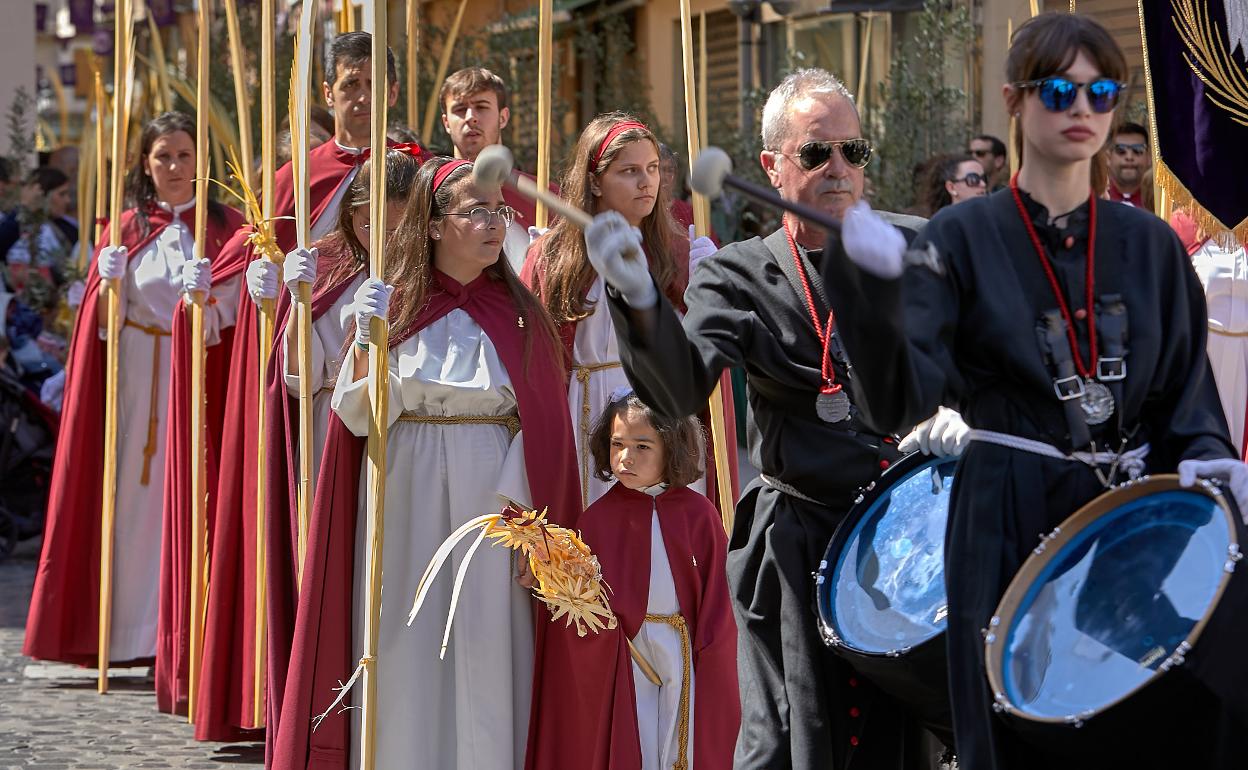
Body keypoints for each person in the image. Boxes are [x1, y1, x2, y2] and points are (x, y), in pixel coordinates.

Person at [818, 13, 1248, 769]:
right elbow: (896, 401)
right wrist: (868, 290)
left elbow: (1187, 394)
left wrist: (1209, 456)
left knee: (1168, 721)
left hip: (1128, 515)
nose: (1082, 108)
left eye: (1101, 91)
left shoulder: (1149, 244)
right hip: (1004, 516)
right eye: (1059, 90)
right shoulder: (958, 238)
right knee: (1017, 739)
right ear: (1016, 101)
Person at [582, 68, 955, 770]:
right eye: (817, 154)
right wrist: (637, 299)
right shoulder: (738, 273)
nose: (840, 169)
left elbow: (989, 354)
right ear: (771, 165)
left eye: (855, 151)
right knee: (790, 743)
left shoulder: (920, 245)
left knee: (918, 745)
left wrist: (963, 412)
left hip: (914, 539)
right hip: (800, 544)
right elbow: (680, 389)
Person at [271, 157, 579, 770]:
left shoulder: (521, 317)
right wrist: (365, 341)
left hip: (494, 500)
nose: (495, 225)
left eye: (500, 212)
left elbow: (543, 429)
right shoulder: (395, 306)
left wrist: (532, 531)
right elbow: (355, 415)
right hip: (403, 485)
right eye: (476, 212)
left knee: (487, 641)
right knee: (406, 639)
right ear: (434, 226)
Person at [193, 31, 428, 743]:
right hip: (323, 389)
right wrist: (251, 294)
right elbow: (238, 282)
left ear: (391, 91)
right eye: (346, 85)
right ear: (327, 95)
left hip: (413, 380)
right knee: (326, 544)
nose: (359, 97)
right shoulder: (298, 178)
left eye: (370, 84)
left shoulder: (423, 171)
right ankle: (310, 700)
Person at [24, 111, 245, 673]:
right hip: (136, 383)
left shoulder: (228, 227)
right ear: (145, 165)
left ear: (201, 161)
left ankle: (185, 635)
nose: (174, 166)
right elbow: (99, 325)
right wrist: (105, 285)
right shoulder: (125, 228)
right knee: (131, 508)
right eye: (162, 156)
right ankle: (126, 633)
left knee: (193, 503)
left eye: (184, 155)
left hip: (197, 382)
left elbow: (246, 316)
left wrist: (212, 303)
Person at [235, 150, 418, 749]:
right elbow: (296, 378)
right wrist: (287, 307)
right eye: (368, 222)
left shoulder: (433, 275)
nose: (380, 237)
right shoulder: (332, 273)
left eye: (395, 224)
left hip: (405, 450)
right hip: (330, 445)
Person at [521, 112, 726, 509]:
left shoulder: (678, 251)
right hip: (585, 411)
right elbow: (533, 359)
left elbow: (703, 359)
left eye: (651, 169)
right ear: (595, 180)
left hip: (660, 411)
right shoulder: (554, 256)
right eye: (629, 171)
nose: (646, 181)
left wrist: (712, 293)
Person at [528, 389, 738, 769]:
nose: (626, 458)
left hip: (681, 647)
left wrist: (712, 651)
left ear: (671, 448)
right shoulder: (596, 520)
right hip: (626, 651)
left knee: (679, 743)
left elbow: (720, 594)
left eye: (642, 446)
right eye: (617, 444)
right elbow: (581, 604)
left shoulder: (699, 514)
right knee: (636, 741)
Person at [439, 66, 535, 270]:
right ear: (446, 122)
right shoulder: (431, 195)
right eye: (459, 109)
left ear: (503, 117)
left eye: (481, 107)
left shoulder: (542, 196)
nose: (471, 117)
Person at [1105, 120, 1151, 210]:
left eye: (1137, 150)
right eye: (1121, 150)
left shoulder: (1159, 201)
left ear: (1149, 157)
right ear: (1108, 157)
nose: (1129, 157)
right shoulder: (1094, 197)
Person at [922, 153, 988, 215]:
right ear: (951, 187)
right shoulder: (940, 224)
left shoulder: (994, 221)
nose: (983, 184)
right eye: (973, 179)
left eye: (984, 178)